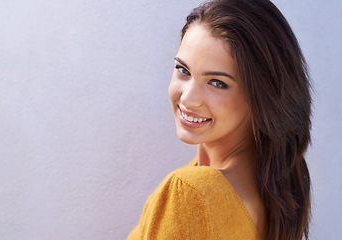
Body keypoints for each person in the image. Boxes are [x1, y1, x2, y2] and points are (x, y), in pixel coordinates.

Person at [127, 0, 312, 239]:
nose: (189, 98)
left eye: (217, 83)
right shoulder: (275, 184)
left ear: (263, 97)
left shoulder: (192, 194)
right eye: (183, 70)